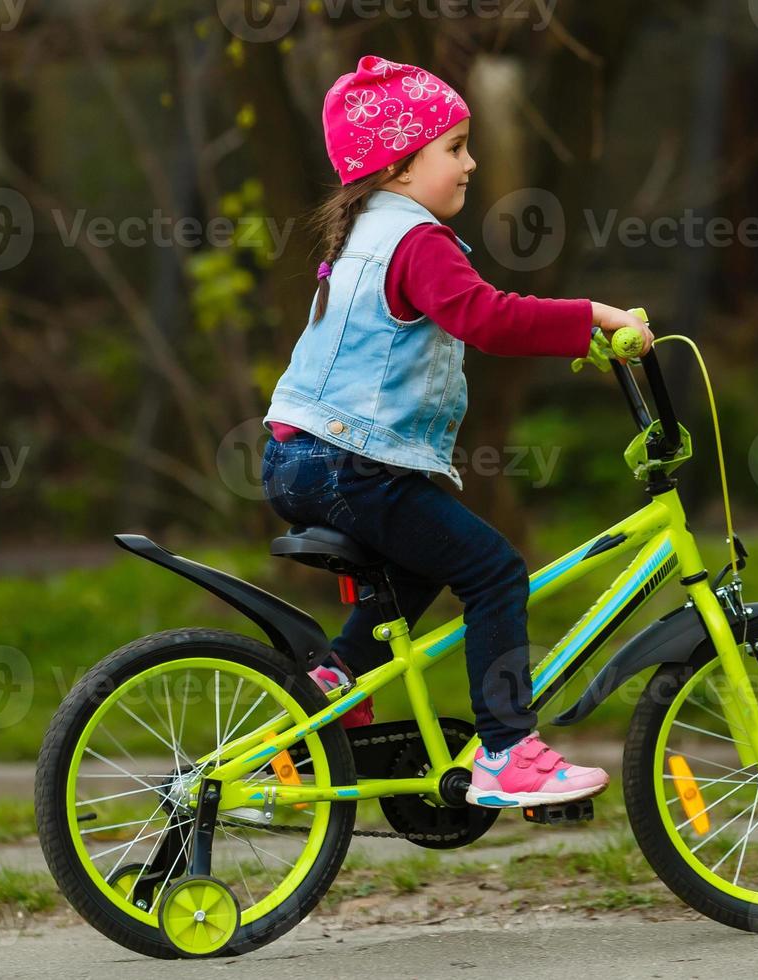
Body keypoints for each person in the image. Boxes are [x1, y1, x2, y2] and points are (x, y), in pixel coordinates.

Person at [258, 55, 651, 809]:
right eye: (456, 147)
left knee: (428, 560)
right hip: (348, 462)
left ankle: (335, 685)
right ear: (398, 165)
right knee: (494, 569)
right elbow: (486, 317)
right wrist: (587, 318)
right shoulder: (417, 241)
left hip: (301, 457)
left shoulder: (365, 233)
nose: (471, 162)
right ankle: (506, 751)